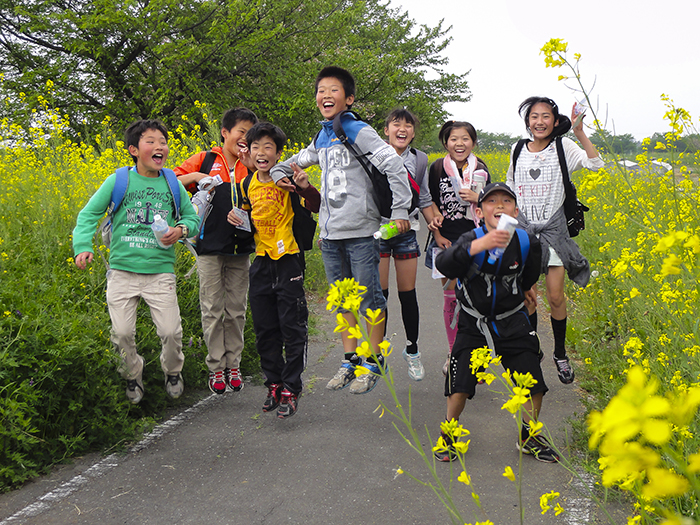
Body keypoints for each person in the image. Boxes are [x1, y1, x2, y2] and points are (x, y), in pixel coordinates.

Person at [270, 66, 413, 395]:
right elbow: (300, 160)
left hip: (362, 231)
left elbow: (391, 163)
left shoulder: (357, 129)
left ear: (348, 99)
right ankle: (351, 359)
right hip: (331, 235)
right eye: (321, 90)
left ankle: (374, 360)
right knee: (343, 300)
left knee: (369, 301)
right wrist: (280, 170)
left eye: (333, 90)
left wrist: (401, 209)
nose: (325, 96)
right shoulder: (322, 134)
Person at [73, 119, 200, 404]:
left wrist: (180, 230)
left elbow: (193, 219)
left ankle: (173, 371)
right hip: (121, 272)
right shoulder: (119, 181)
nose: (160, 147)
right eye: (151, 141)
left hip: (160, 272)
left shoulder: (172, 184)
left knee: (170, 332)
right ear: (133, 149)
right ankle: (132, 375)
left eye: (163, 142)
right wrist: (82, 246)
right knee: (121, 333)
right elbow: (88, 215)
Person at [434, 182, 558, 463]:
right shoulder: (470, 239)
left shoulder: (527, 242)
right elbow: (444, 264)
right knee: (459, 386)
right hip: (473, 322)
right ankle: (448, 434)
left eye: (506, 201)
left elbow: (529, 275)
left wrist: (528, 289)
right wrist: (480, 245)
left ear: (516, 210)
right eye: (491, 202)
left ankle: (529, 437)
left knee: (533, 383)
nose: (499, 206)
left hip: (511, 319)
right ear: (479, 211)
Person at [506, 96, 603, 384]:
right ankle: (533, 346)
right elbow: (511, 183)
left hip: (554, 231)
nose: (539, 122)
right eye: (534, 116)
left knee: (556, 295)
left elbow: (596, 164)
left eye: (545, 116)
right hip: (524, 232)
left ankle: (560, 353)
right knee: (527, 297)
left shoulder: (564, 147)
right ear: (527, 122)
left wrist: (580, 132)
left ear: (554, 120)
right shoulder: (517, 149)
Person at [229, 122, 320, 418]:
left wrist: (303, 186)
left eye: (268, 147)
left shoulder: (288, 178)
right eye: (255, 147)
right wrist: (237, 220)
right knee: (265, 329)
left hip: (289, 259)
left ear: (279, 153)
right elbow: (247, 225)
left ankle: (292, 388)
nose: (261, 153)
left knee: (292, 328)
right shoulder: (246, 184)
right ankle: (274, 384)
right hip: (262, 261)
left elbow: (316, 204)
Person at [174, 108, 258, 395]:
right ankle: (215, 367)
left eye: (250, 134)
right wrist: (197, 176)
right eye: (241, 132)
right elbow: (169, 181)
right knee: (212, 309)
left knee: (236, 310)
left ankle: (233, 364)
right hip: (208, 248)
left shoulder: (253, 165)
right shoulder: (206, 159)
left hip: (241, 248)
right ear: (225, 133)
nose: (245, 139)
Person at [425, 121, 491, 376]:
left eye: (465, 139)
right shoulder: (437, 168)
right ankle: (453, 352)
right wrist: (437, 233)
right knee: (451, 298)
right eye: (454, 139)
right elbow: (428, 200)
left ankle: (479, 355)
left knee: (477, 299)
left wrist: (479, 198)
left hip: (476, 240)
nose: (459, 143)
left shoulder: (481, 169)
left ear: (473, 142)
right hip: (446, 241)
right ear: (445, 143)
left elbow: (492, 207)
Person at [379, 108, 440, 381]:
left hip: (407, 230)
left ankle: (412, 351)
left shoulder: (420, 159)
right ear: (386, 130)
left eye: (407, 125)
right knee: (379, 295)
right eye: (396, 124)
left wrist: (435, 225)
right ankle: (377, 354)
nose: (402, 128)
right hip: (377, 230)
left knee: (408, 294)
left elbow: (424, 196)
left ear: (413, 132)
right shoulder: (374, 156)